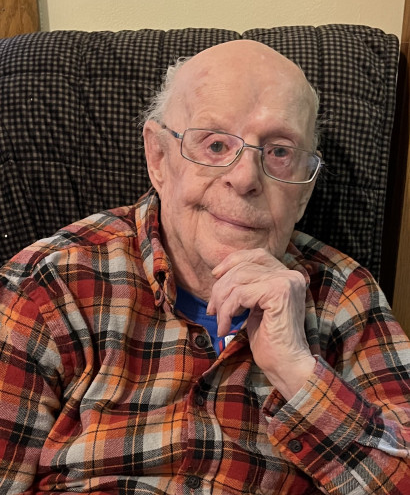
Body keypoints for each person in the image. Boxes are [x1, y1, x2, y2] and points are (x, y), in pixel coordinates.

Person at [0, 40, 408, 495]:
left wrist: (298, 374)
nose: (246, 178)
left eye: (279, 152)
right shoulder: (48, 285)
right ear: (159, 158)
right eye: (215, 144)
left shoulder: (345, 295)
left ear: (305, 191)